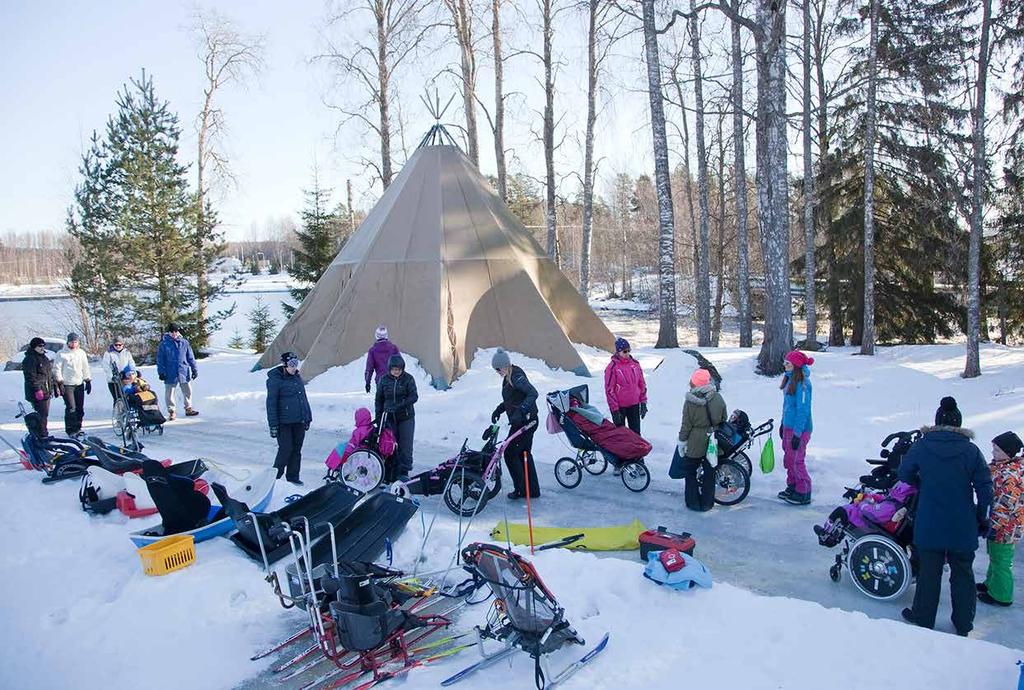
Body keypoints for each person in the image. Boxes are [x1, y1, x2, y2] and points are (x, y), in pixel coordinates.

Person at [899, 396, 993, 637]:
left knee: (930, 571)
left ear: (937, 421)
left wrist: (922, 481)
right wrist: (983, 518)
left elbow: (905, 473)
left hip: (930, 519)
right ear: (958, 423)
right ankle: (963, 623)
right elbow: (984, 487)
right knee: (963, 572)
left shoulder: (922, 445)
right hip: (962, 522)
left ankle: (923, 617)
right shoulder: (970, 450)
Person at [979, 431, 1023, 608]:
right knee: (995, 556)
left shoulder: (1009, 475)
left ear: (1008, 453)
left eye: (997, 450)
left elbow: (1005, 506)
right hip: (1003, 524)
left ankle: (1002, 595)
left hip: (1005, 526)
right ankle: (991, 584)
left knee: (1001, 560)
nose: (993, 453)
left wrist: (994, 526)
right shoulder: (1003, 467)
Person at [490, 349, 540, 500]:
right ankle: (532, 490)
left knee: (510, 453)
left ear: (505, 365)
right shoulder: (509, 377)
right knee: (524, 453)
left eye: (498, 368)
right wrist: (500, 409)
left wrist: (521, 412)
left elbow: (533, 393)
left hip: (526, 422)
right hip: (524, 421)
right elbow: (513, 398)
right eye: (495, 369)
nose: (497, 371)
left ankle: (521, 490)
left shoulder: (516, 376)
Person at [674, 368, 726, 512]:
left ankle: (693, 502)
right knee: (710, 471)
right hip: (713, 439)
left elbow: (686, 425)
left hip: (695, 440)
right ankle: (707, 503)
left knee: (690, 471)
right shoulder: (718, 397)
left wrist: (682, 441)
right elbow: (723, 418)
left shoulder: (690, 402)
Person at [266, 352, 312, 485]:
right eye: (291, 364)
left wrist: (307, 417)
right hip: (283, 423)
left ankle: (293, 477)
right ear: (285, 365)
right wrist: (273, 425)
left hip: (299, 421)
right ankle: (274, 478)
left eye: (296, 364)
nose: (294, 367)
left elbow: (303, 399)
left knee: (297, 450)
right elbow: (271, 404)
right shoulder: (275, 380)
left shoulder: (297, 378)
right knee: (285, 449)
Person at [778, 350, 814, 505]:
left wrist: (797, 434)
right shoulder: (790, 379)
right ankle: (792, 486)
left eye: (787, 363)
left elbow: (803, 410)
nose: (784, 365)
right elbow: (787, 407)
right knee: (788, 459)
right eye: (784, 362)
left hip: (800, 429)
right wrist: (782, 423)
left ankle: (804, 491)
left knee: (796, 460)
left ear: (796, 366)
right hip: (788, 427)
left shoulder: (804, 384)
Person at [375, 354, 417, 482]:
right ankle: (389, 471)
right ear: (389, 369)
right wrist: (378, 417)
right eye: (394, 369)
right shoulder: (384, 380)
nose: (396, 372)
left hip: (406, 417)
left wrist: (399, 405)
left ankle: (403, 471)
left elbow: (414, 396)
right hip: (388, 417)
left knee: (405, 445)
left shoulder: (408, 379)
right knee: (388, 444)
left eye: (399, 369)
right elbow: (379, 400)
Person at [604, 337, 648, 435]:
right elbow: (609, 390)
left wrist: (643, 402)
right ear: (618, 352)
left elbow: (642, 384)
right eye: (624, 351)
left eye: (629, 350)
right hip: (620, 407)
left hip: (634, 404)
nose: (627, 353)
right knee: (622, 435)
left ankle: (637, 450)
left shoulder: (635, 364)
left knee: (636, 434)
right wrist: (614, 410)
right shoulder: (612, 368)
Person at [157, 322, 199, 420]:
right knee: (170, 392)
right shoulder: (164, 344)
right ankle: (171, 411)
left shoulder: (184, 342)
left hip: (183, 370)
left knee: (187, 390)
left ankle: (188, 408)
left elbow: (190, 357)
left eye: (175, 331)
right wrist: (161, 372)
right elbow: (160, 360)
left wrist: (194, 368)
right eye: (172, 332)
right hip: (170, 372)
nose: (174, 333)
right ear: (169, 332)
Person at [54, 332, 92, 436]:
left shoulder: (81, 353)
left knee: (80, 407)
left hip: (79, 383)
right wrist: (60, 382)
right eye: (72, 342)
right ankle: (70, 429)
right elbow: (57, 369)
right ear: (68, 342)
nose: (74, 344)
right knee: (71, 407)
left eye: (75, 342)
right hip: (67, 384)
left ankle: (78, 427)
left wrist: (87, 380)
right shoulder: (61, 354)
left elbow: (85, 367)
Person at [22, 337, 54, 436]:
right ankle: (41, 435)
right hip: (37, 392)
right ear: (34, 347)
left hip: (46, 391)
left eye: (43, 346)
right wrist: (37, 389)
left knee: (44, 414)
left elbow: (49, 375)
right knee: (41, 414)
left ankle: (43, 433)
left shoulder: (44, 358)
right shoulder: (30, 359)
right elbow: (30, 376)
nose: (42, 348)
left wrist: (53, 387)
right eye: (39, 346)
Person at [364, 326, 400, 394]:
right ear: (386, 335)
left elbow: (369, 368)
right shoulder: (394, 348)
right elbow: (400, 364)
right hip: (394, 381)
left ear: (376, 336)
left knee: (381, 402)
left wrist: (367, 383)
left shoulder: (373, 351)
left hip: (381, 381)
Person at [102, 336, 136, 401]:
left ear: (122, 345)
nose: (118, 346)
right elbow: (106, 366)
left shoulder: (126, 352)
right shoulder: (109, 353)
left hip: (125, 378)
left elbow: (131, 363)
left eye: (119, 344)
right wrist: (112, 376)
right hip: (113, 380)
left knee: (127, 396)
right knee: (117, 398)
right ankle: (117, 409)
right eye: (116, 345)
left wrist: (133, 371)